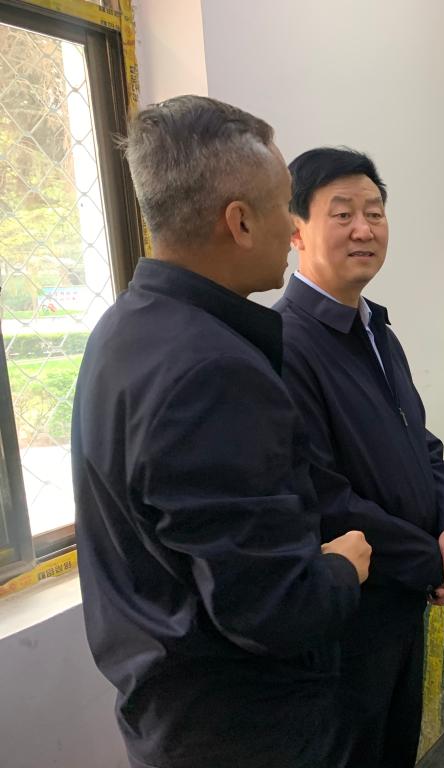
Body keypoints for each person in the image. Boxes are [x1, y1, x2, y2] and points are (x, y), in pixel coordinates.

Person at [71, 96, 372, 768]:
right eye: (285, 206)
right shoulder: (213, 371)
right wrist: (339, 568)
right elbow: (271, 608)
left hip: (174, 713)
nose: (292, 226)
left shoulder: (125, 330)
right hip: (246, 728)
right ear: (239, 221)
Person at [275, 146, 444, 767]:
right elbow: (323, 499)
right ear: (295, 230)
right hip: (351, 620)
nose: (364, 229)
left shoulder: (376, 330)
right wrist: (429, 559)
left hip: (405, 599)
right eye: (342, 214)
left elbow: (422, 444)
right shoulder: (286, 345)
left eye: (375, 212)